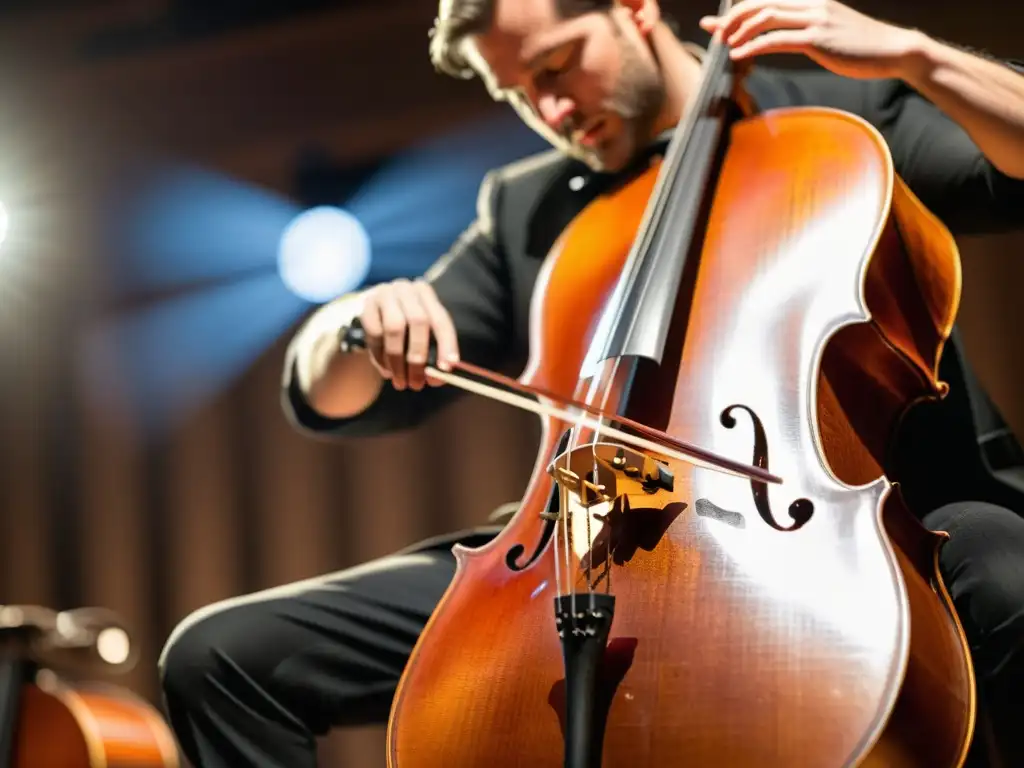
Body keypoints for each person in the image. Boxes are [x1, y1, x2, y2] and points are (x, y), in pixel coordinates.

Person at [158, 0, 1024, 765]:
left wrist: (918, 56)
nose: (552, 110)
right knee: (223, 655)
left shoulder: (841, 119)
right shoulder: (528, 207)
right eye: (517, 94)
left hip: (865, 517)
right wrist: (356, 323)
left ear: (634, 6)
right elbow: (331, 396)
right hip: (585, 537)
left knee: (1008, 568)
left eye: (557, 66)